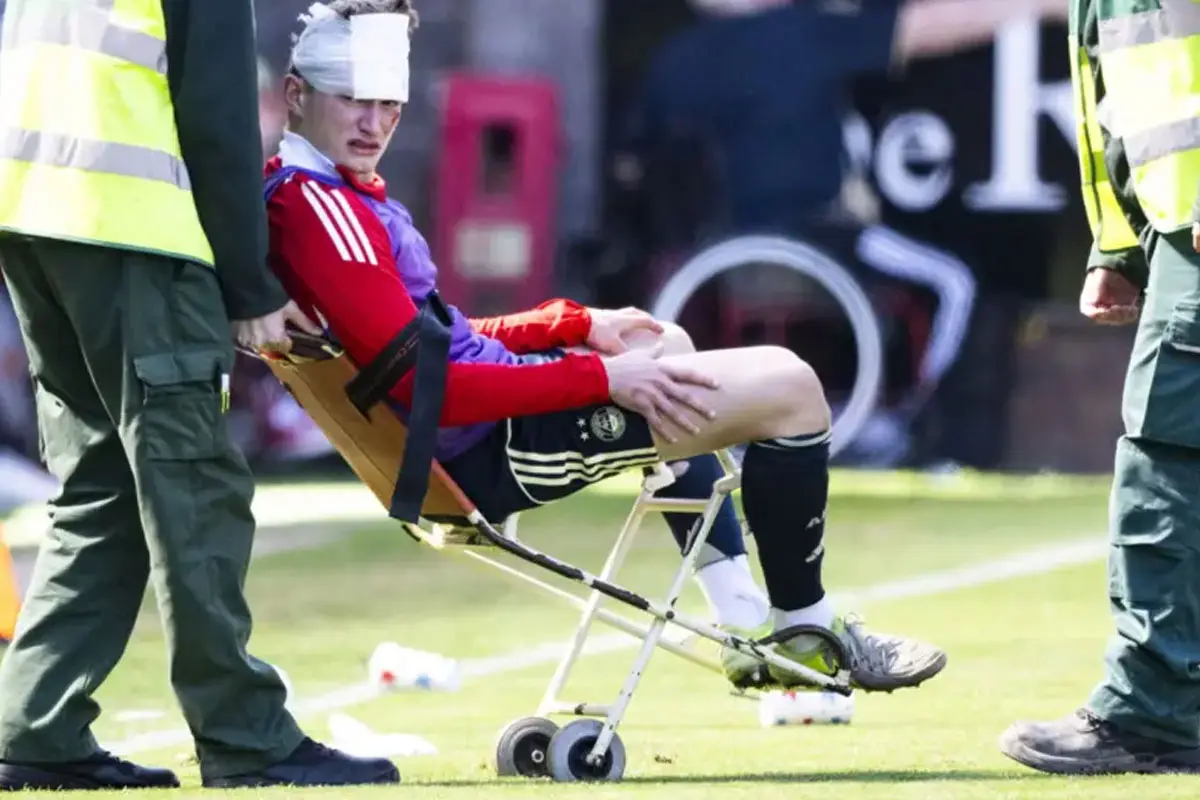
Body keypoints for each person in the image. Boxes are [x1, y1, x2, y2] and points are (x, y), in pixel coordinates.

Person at [266, 0, 948, 697]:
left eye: (391, 105)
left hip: (477, 432)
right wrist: (598, 379)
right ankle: (809, 631)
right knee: (794, 388)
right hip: (485, 451)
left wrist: (575, 323)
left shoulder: (334, 195)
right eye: (355, 101)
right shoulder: (321, 207)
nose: (376, 124)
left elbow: (444, 340)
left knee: (663, 339)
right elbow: (429, 383)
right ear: (298, 95)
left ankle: (745, 618)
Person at [0, 0, 399, 791]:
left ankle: (34, 727)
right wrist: (248, 282)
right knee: (192, 482)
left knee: (100, 486)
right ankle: (245, 734)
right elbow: (216, 115)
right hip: (135, 227)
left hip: (31, 216)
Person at [613, 0, 1066, 465]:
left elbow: (636, 163)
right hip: (817, 238)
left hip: (713, 254)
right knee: (955, 279)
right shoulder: (800, 34)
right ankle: (916, 422)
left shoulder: (674, 61)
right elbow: (928, 27)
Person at [998, 0, 1200, 777]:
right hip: (1173, 228)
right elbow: (1116, 99)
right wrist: (1117, 243)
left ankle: (1147, 712)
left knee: (1171, 458)